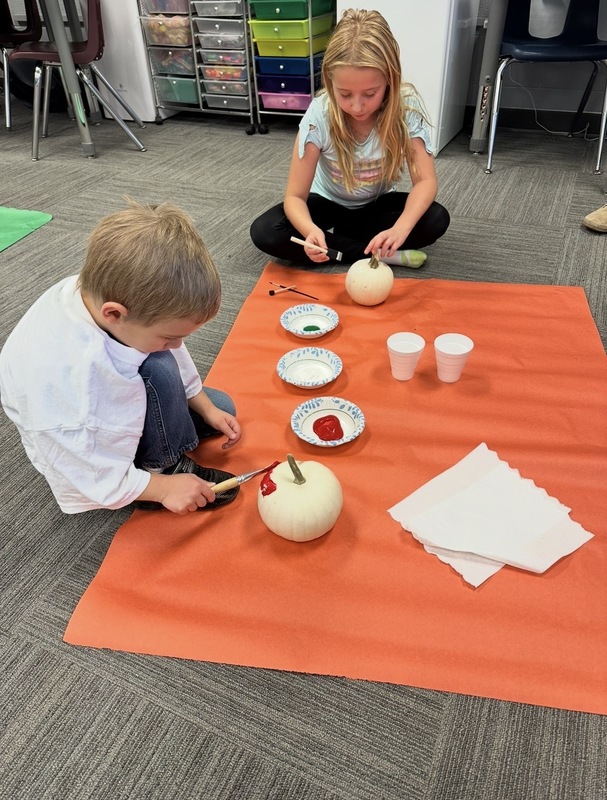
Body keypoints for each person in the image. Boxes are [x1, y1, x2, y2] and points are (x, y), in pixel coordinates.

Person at [0, 200, 242, 515]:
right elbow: (91, 472)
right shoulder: (72, 393)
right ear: (114, 314)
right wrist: (162, 488)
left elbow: (168, 348)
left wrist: (205, 407)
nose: (178, 345)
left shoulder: (106, 290)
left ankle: (156, 446)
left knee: (220, 406)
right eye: (170, 336)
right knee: (160, 365)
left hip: (94, 404)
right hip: (78, 444)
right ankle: (163, 467)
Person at [250, 8, 450, 269]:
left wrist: (400, 229)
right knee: (265, 231)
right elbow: (295, 197)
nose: (357, 106)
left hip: (375, 207)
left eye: (370, 93)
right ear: (329, 81)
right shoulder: (319, 114)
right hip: (326, 205)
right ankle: (379, 253)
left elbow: (425, 181)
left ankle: (342, 246)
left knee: (436, 218)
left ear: (390, 80)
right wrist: (310, 230)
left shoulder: (407, 107)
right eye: (345, 94)